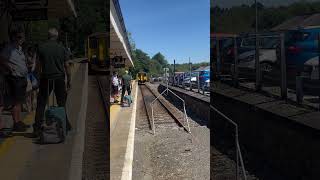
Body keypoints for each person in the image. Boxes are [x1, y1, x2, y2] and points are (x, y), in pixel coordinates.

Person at [33, 28, 72, 137]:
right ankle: (65, 125)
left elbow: (38, 66)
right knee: (61, 103)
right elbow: (67, 66)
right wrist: (69, 80)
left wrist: (37, 79)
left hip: (45, 78)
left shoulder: (41, 47)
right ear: (57, 36)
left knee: (41, 103)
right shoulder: (62, 48)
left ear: (48, 36)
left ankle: (37, 128)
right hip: (59, 78)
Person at [0, 29, 29, 132]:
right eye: (19, 37)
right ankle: (16, 122)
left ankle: (18, 121)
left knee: (19, 101)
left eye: (22, 37)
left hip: (21, 78)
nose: (21, 39)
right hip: (15, 78)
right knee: (16, 102)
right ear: (14, 38)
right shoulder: (9, 48)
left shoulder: (20, 49)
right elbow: (2, 58)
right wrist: (9, 68)